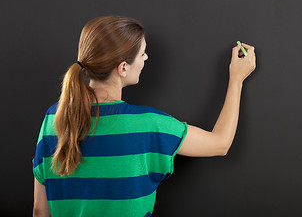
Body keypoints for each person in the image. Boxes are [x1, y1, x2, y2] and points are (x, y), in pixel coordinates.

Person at [32, 15, 256, 217]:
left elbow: (40, 211)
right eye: (142, 54)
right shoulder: (148, 125)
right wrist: (236, 78)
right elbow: (220, 144)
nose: (146, 58)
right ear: (123, 68)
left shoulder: (54, 118)